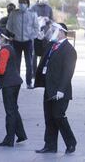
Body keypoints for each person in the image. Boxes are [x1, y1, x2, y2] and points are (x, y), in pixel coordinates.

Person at [34, 23, 77, 154]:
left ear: (62, 32)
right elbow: (39, 52)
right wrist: (39, 39)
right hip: (49, 87)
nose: (52, 32)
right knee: (49, 117)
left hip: (60, 90)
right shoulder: (52, 45)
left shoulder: (69, 49)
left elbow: (68, 72)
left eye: (55, 30)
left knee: (58, 116)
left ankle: (71, 143)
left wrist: (61, 90)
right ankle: (50, 145)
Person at [6, 0, 39, 89]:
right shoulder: (14, 13)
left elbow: (36, 27)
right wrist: (13, 34)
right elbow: (9, 26)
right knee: (16, 63)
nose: (22, 4)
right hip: (16, 42)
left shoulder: (32, 14)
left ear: (27, 4)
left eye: (24, 2)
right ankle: (17, 82)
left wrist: (31, 36)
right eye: (20, 2)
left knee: (29, 63)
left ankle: (29, 82)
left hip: (28, 42)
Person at [31, 0, 54, 78]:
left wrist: (48, 20)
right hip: (36, 34)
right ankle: (34, 73)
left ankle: (42, 72)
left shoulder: (49, 8)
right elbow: (29, 20)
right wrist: (38, 19)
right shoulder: (33, 7)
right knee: (34, 54)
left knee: (45, 54)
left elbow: (52, 20)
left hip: (46, 35)